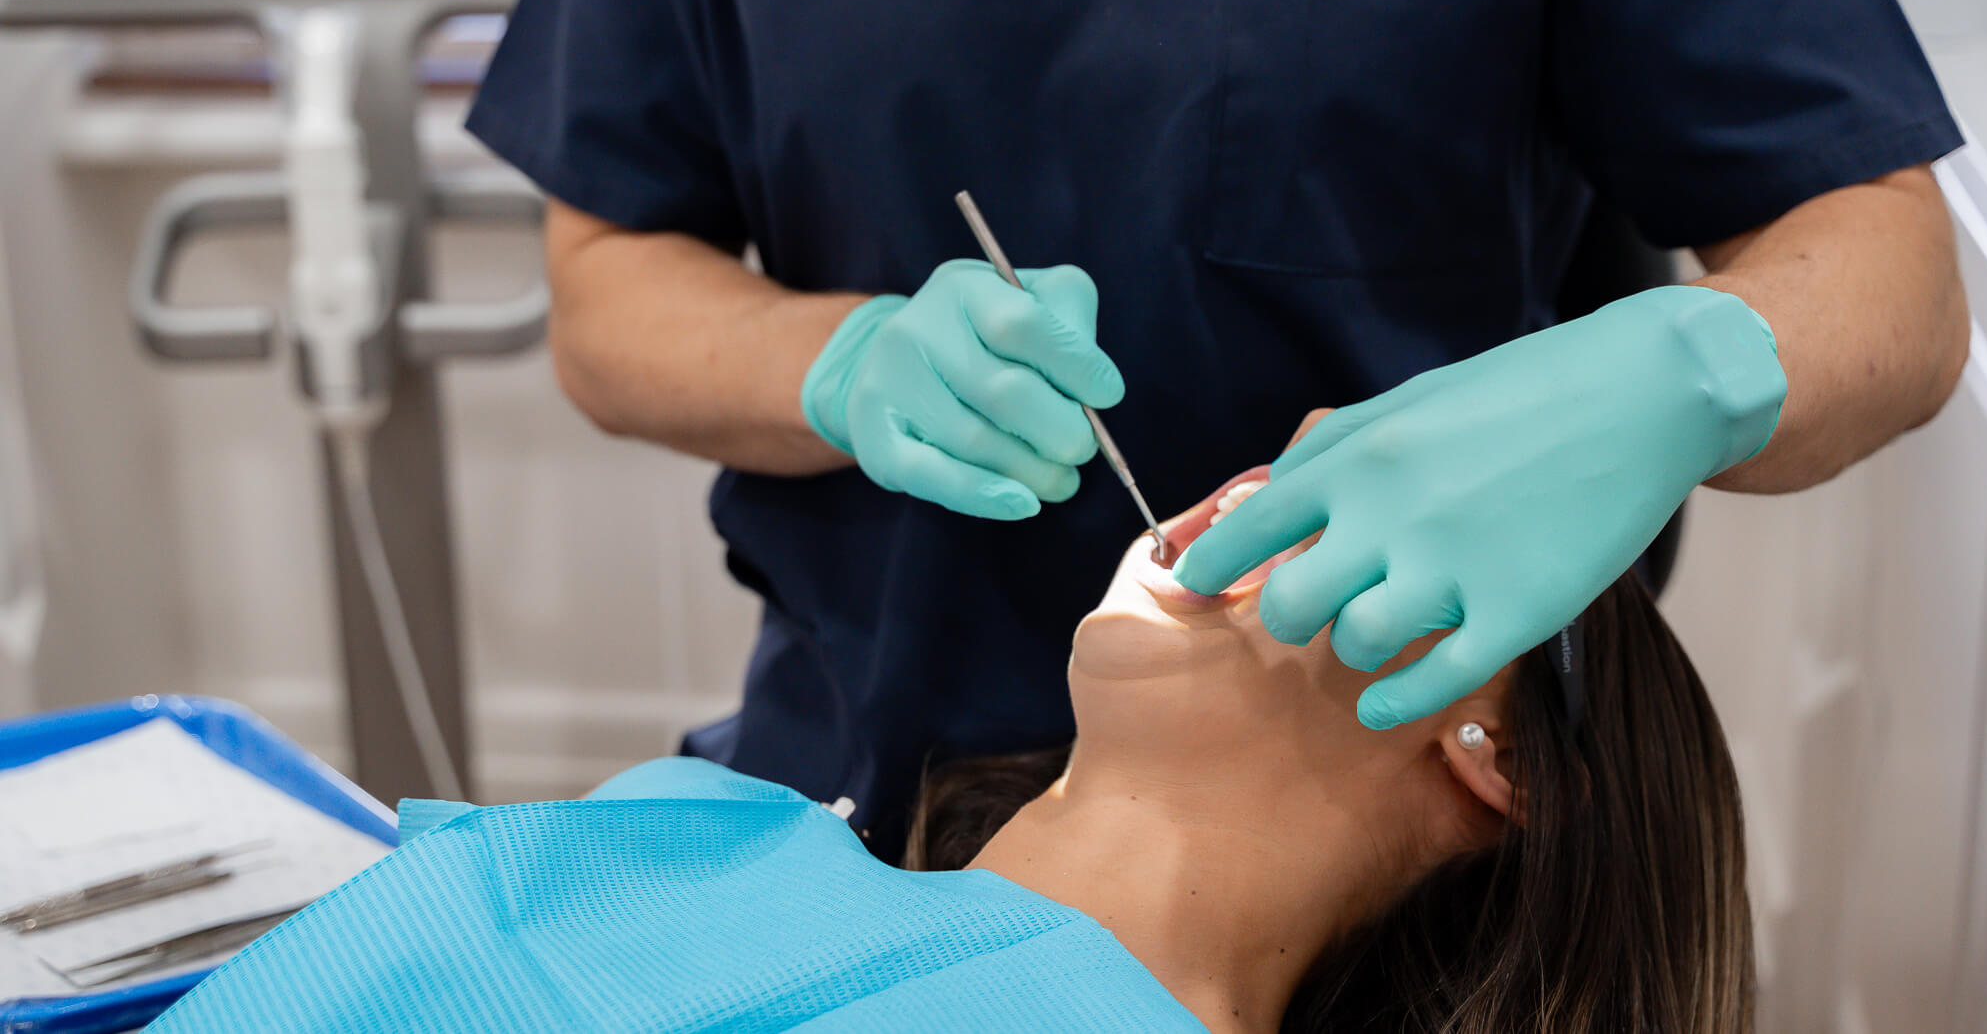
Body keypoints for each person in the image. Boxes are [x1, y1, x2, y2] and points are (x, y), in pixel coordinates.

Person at [466, 0, 1969, 849]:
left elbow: (1893, 276)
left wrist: (1692, 374)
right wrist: (841, 364)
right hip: (876, 785)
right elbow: (606, 283)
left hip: (1388, 819)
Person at [150, 430, 1753, 1033]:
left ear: (1500, 749)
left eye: (1370, 499)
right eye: (1301, 450)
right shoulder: (719, 818)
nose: (1273, 472)